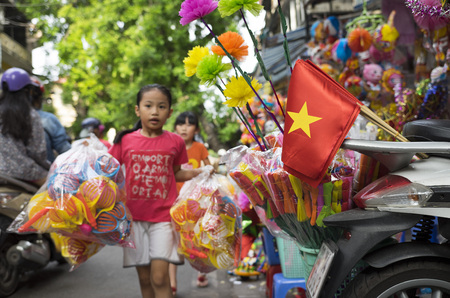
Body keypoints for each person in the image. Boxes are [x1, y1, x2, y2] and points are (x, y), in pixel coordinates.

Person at [108, 84, 205, 298]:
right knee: (144, 279)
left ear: (169, 112)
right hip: (132, 220)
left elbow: (176, 173)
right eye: (148, 106)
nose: (154, 112)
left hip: (163, 218)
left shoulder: (176, 142)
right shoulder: (125, 140)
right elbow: (108, 172)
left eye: (161, 107)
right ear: (137, 110)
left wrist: (202, 172)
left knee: (160, 278)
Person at [169, 111, 210, 293]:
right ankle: (172, 283)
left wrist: (209, 170)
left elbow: (209, 166)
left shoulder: (199, 147)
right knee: (174, 244)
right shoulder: (171, 147)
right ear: (175, 127)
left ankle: (203, 271)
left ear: (196, 129)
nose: (184, 127)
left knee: (199, 239)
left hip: (196, 203)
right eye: (181, 123)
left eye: (189, 124)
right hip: (173, 203)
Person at [0, 67, 49, 186]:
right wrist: (49, 166)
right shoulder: (30, 115)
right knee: (56, 187)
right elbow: (37, 152)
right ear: (27, 90)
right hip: (23, 172)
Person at [30, 76, 71, 163]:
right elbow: (65, 151)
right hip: (43, 174)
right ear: (39, 98)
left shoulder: (4, 119)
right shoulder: (47, 119)